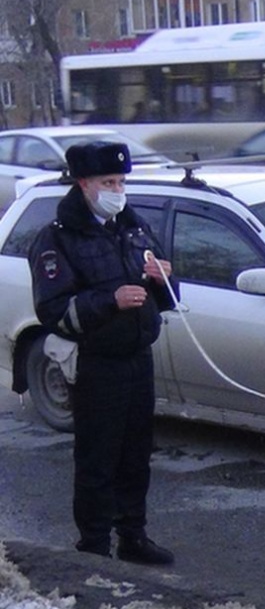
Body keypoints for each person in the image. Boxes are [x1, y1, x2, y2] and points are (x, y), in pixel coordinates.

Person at [29, 142, 179, 566]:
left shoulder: (133, 227)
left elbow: (165, 297)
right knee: (98, 457)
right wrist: (110, 300)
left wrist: (162, 279)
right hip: (96, 363)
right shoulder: (58, 237)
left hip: (137, 357)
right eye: (108, 182)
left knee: (136, 452)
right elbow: (54, 310)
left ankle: (133, 534)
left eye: (121, 181)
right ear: (84, 184)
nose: (117, 189)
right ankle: (93, 547)